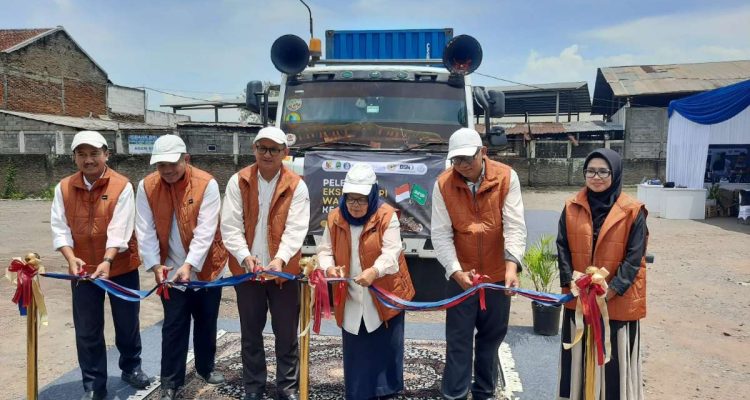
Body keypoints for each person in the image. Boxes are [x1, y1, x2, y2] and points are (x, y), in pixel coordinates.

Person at [50, 130, 150, 400]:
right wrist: (71, 259)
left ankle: (131, 367)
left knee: (127, 323)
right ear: (74, 158)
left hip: (120, 267)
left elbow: (120, 229)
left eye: (94, 153)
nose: (89, 160)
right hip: (82, 272)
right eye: (81, 154)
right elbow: (60, 229)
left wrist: (107, 260)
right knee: (87, 329)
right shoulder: (63, 188)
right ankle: (94, 384)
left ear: (106, 154)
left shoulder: (122, 186)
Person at [431, 128, 527, 400]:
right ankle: (455, 394)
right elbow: (440, 233)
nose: (461, 166)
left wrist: (511, 268)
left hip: (497, 275)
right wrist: (455, 270)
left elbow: (515, 226)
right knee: (458, 340)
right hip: (462, 277)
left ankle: (484, 391)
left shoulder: (507, 177)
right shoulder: (443, 184)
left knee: (491, 338)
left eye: (467, 159)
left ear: (483, 152)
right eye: (456, 160)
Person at [134, 135, 229, 400]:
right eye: (160, 165)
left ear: (185, 159)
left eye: (172, 164)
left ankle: (205, 366)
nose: (166, 170)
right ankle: (170, 381)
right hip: (170, 270)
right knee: (174, 325)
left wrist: (190, 265)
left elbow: (206, 231)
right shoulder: (146, 186)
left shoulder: (206, 184)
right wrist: (155, 265)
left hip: (208, 267)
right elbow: (145, 230)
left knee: (206, 320)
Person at [221, 126, 310, 400]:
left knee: (286, 334)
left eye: (274, 149)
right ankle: (253, 387)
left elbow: (296, 229)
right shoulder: (238, 181)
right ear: (254, 150)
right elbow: (230, 226)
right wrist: (244, 256)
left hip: (282, 274)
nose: (267, 154)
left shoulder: (297, 184)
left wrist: (280, 260)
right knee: (250, 333)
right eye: (262, 148)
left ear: (285, 153)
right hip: (247, 273)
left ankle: (287, 388)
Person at [316, 163, 415, 400]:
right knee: (357, 350)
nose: (356, 205)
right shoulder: (335, 217)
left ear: (372, 195)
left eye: (361, 199)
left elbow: (392, 253)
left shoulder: (386, 215)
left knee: (386, 349)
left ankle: (386, 393)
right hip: (350, 294)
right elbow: (324, 251)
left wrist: (374, 271)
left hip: (385, 292)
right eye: (351, 199)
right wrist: (330, 267)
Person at [556, 148, 648, 400]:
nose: (596, 177)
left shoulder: (633, 210)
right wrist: (572, 280)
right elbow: (562, 245)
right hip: (579, 298)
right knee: (577, 360)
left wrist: (610, 291)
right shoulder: (571, 206)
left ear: (615, 173)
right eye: (590, 171)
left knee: (613, 365)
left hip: (616, 303)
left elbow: (634, 258)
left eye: (603, 172)